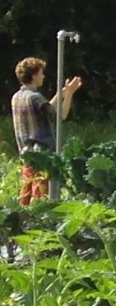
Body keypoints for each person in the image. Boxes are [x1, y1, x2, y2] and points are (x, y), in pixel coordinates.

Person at [12, 56, 79, 206]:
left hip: (25, 151)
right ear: (34, 75)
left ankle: (22, 223)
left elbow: (47, 107)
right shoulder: (35, 97)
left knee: (26, 193)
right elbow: (60, 115)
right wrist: (69, 94)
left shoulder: (16, 97)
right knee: (40, 194)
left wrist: (61, 93)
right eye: (41, 73)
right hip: (41, 153)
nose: (43, 76)